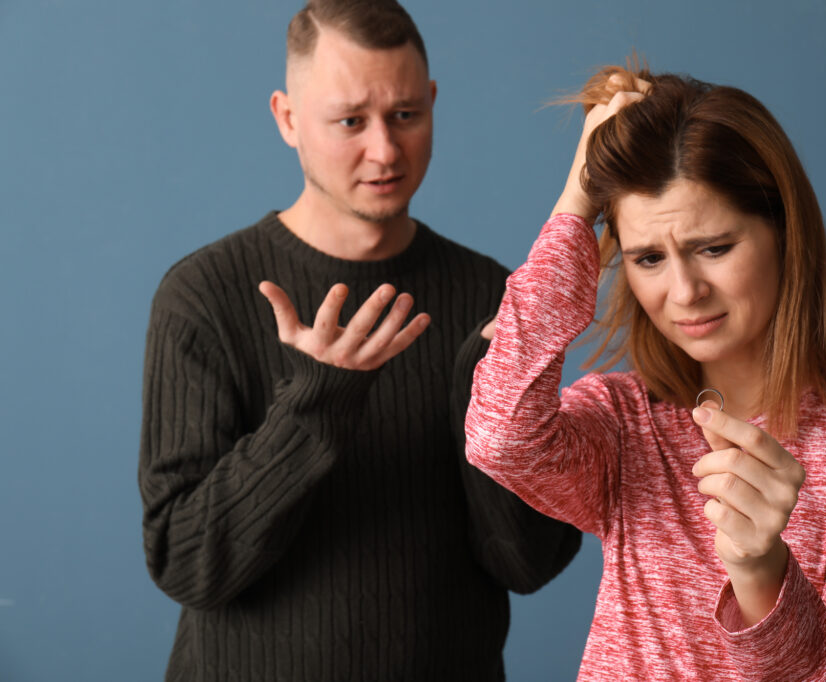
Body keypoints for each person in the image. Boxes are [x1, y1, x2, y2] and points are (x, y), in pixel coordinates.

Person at [466, 65, 826, 680]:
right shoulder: (625, 423)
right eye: (648, 258)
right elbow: (498, 436)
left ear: (785, 232)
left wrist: (761, 571)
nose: (684, 292)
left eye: (714, 247)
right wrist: (576, 202)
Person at [138, 1, 580, 679]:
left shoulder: (490, 297)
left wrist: (494, 409)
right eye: (350, 121)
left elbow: (529, 564)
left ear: (432, 102)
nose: (385, 149)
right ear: (287, 119)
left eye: (406, 114)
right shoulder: (204, 296)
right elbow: (186, 561)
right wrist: (316, 404)